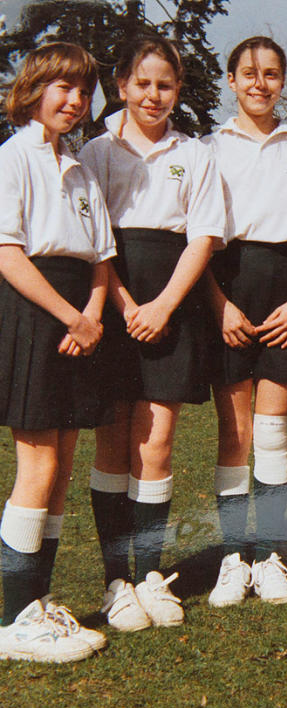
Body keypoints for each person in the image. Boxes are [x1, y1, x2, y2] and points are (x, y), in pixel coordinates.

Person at [80, 37, 225, 631]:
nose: (153, 95)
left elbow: (204, 236)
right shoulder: (95, 151)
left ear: (177, 88)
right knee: (113, 440)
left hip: (171, 302)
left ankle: (150, 575)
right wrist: (123, 302)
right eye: (142, 83)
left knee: (156, 440)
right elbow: (93, 239)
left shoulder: (195, 153)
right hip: (110, 294)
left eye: (165, 85)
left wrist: (163, 305)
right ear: (121, 86)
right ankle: (116, 582)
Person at [0, 42, 115, 662]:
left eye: (83, 91)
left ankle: (37, 604)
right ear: (35, 88)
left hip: (80, 317)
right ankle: (12, 620)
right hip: (37, 313)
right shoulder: (12, 157)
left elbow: (100, 257)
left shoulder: (80, 164)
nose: (74, 101)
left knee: (63, 469)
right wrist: (71, 315)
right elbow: (8, 253)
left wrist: (93, 316)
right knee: (37, 467)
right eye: (62, 88)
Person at [201, 36, 287, 608]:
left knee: (272, 433)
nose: (259, 83)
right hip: (226, 281)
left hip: (285, 285)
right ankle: (232, 558)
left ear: (282, 80)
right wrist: (218, 302)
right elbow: (197, 236)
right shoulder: (210, 146)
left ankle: (269, 557)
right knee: (237, 434)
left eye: (271, 74)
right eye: (248, 73)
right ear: (231, 79)